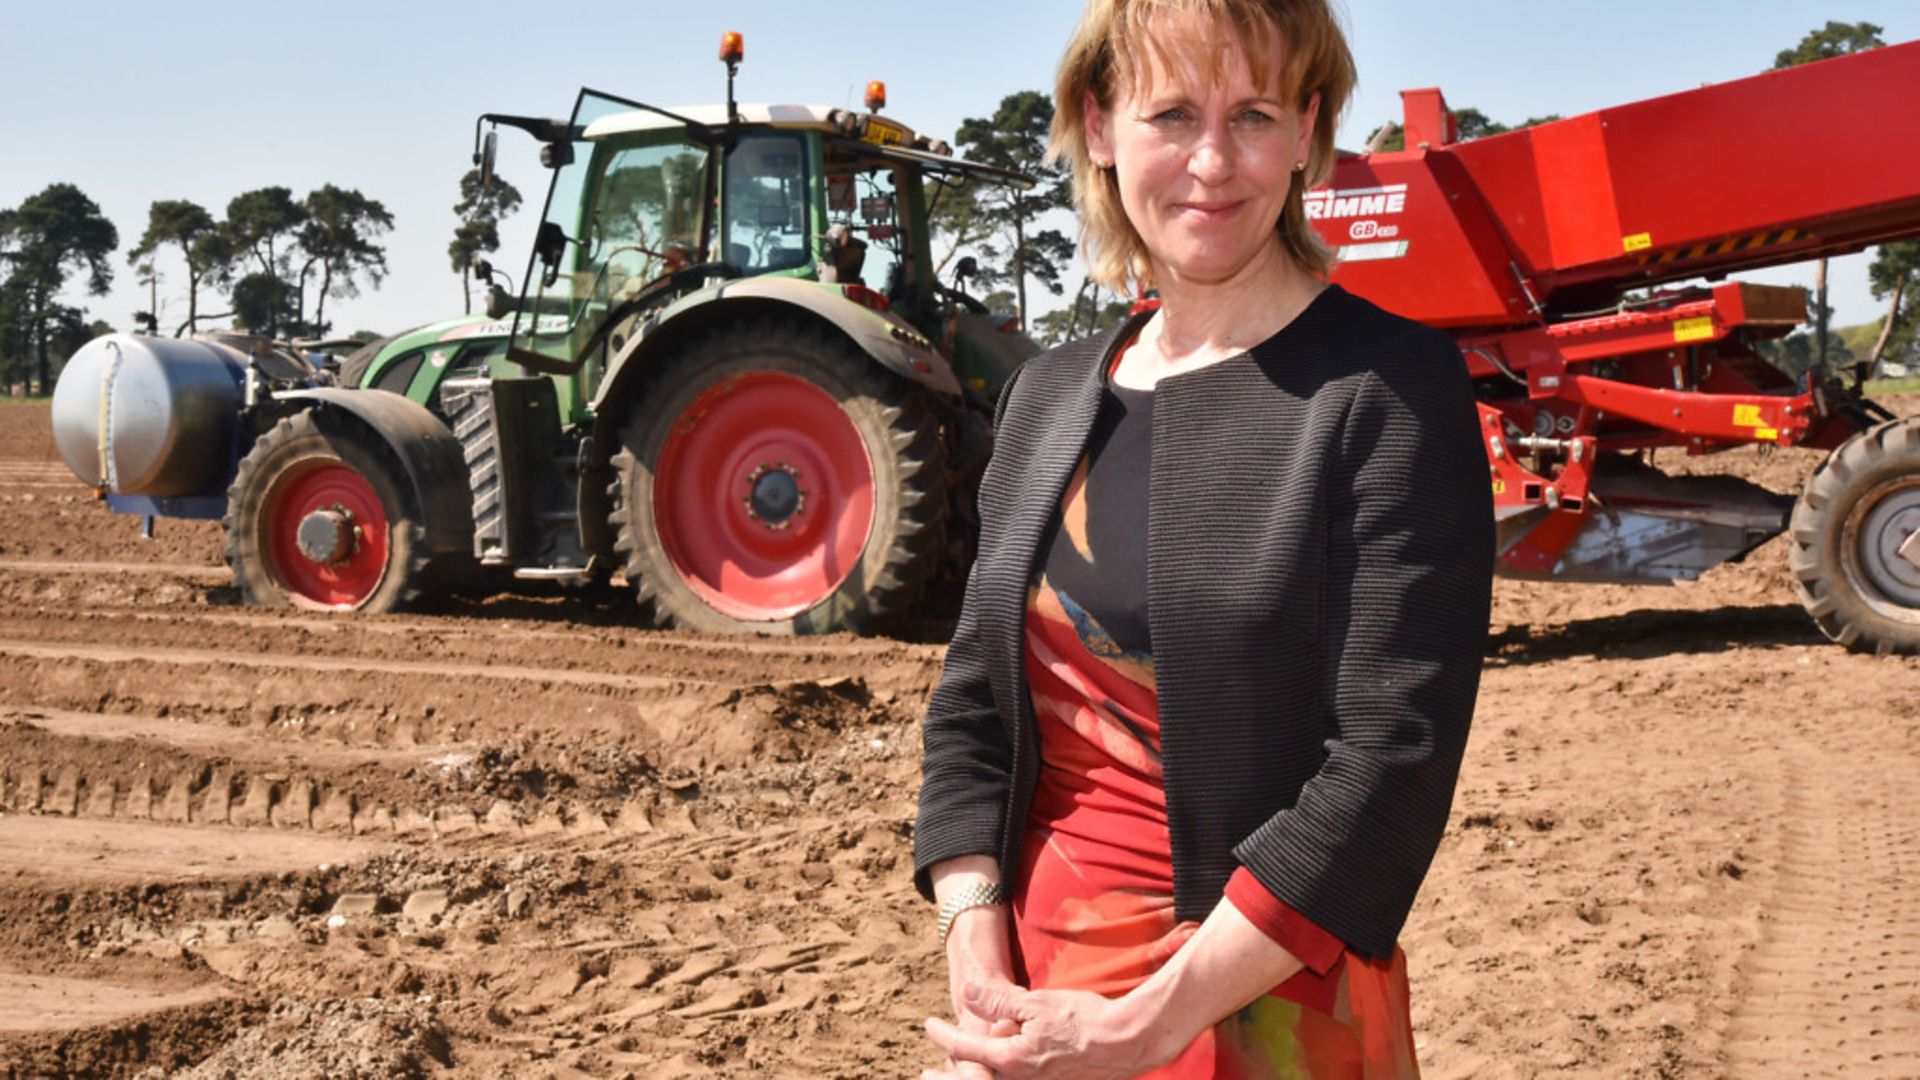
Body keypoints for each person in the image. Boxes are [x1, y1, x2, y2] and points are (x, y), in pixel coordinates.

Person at [912, 0, 1495, 1076]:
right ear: (1099, 126)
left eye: (1256, 114)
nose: (1213, 162)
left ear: (1308, 130)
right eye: (1172, 111)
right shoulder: (1045, 399)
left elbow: (1387, 768)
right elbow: (974, 711)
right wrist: (976, 944)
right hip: (1036, 1006)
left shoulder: (1387, 391)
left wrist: (1146, 1023)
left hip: (1258, 1005)